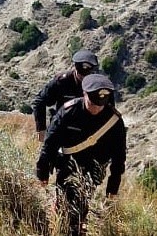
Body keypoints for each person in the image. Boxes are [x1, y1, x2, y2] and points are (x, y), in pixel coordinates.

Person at [36, 73, 126, 236]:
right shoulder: (69, 111)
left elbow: (119, 156)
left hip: (94, 169)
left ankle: (75, 229)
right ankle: (60, 223)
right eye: (93, 103)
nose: (97, 108)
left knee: (81, 205)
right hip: (68, 164)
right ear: (84, 94)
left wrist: (113, 185)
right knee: (64, 201)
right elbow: (50, 142)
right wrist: (42, 170)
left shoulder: (114, 121)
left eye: (101, 104)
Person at [31, 49, 99, 141]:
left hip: (88, 134)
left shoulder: (99, 85)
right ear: (75, 68)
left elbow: (109, 111)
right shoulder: (62, 81)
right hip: (62, 131)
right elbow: (40, 101)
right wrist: (41, 129)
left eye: (87, 76)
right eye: (81, 75)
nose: (84, 79)